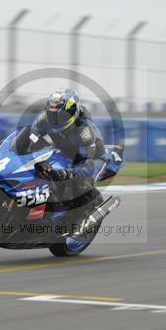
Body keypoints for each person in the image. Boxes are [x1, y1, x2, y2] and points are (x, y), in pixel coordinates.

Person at [31, 88, 107, 233]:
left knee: (79, 184)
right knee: (41, 170)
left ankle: (76, 221)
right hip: (65, 151)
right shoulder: (45, 119)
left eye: (59, 116)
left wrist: (69, 174)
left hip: (91, 158)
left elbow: (89, 164)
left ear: (71, 113)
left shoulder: (85, 131)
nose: (53, 120)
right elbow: (31, 134)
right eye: (51, 114)